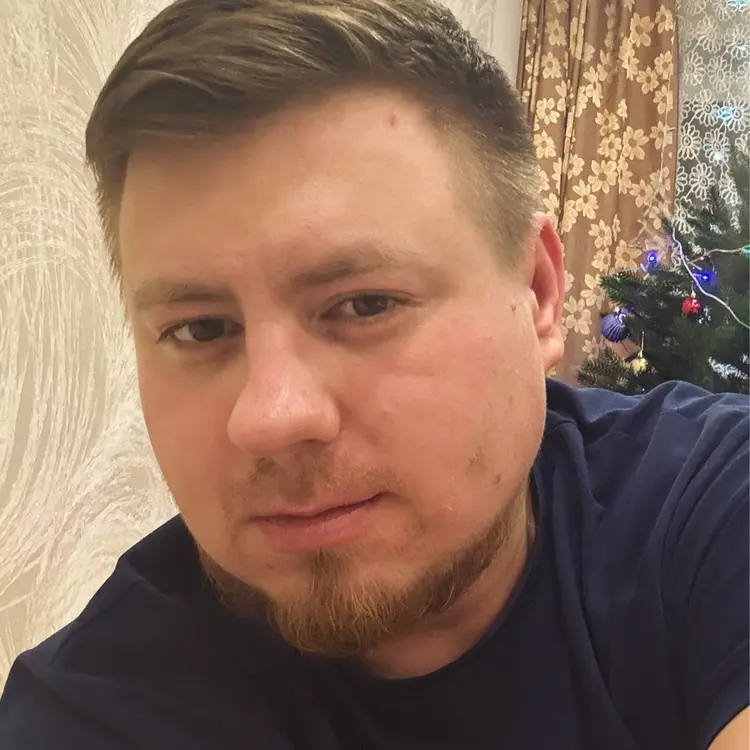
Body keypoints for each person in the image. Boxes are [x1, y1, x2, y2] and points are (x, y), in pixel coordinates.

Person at [0, 0, 747, 747]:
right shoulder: (90, 710)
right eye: (200, 329)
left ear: (538, 294)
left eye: (365, 305)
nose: (270, 417)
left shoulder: (709, 506)